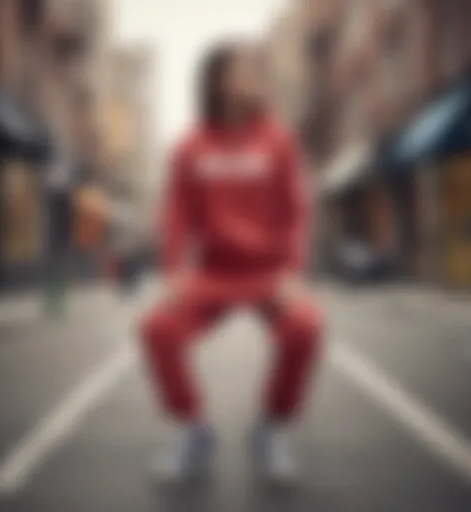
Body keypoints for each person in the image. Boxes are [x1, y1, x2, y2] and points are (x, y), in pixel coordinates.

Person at [138, 41, 324, 484]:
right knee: (156, 328)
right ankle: (195, 429)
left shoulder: (279, 141)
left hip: (267, 273)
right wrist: (173, 271)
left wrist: (291, 272)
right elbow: (176, 213)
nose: (251, 79)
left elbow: (295, 211)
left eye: (256, 71)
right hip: (214, 272)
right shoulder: (190, 146)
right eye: (240, 71)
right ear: (217, 80)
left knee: (306, 326)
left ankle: (271, 427)